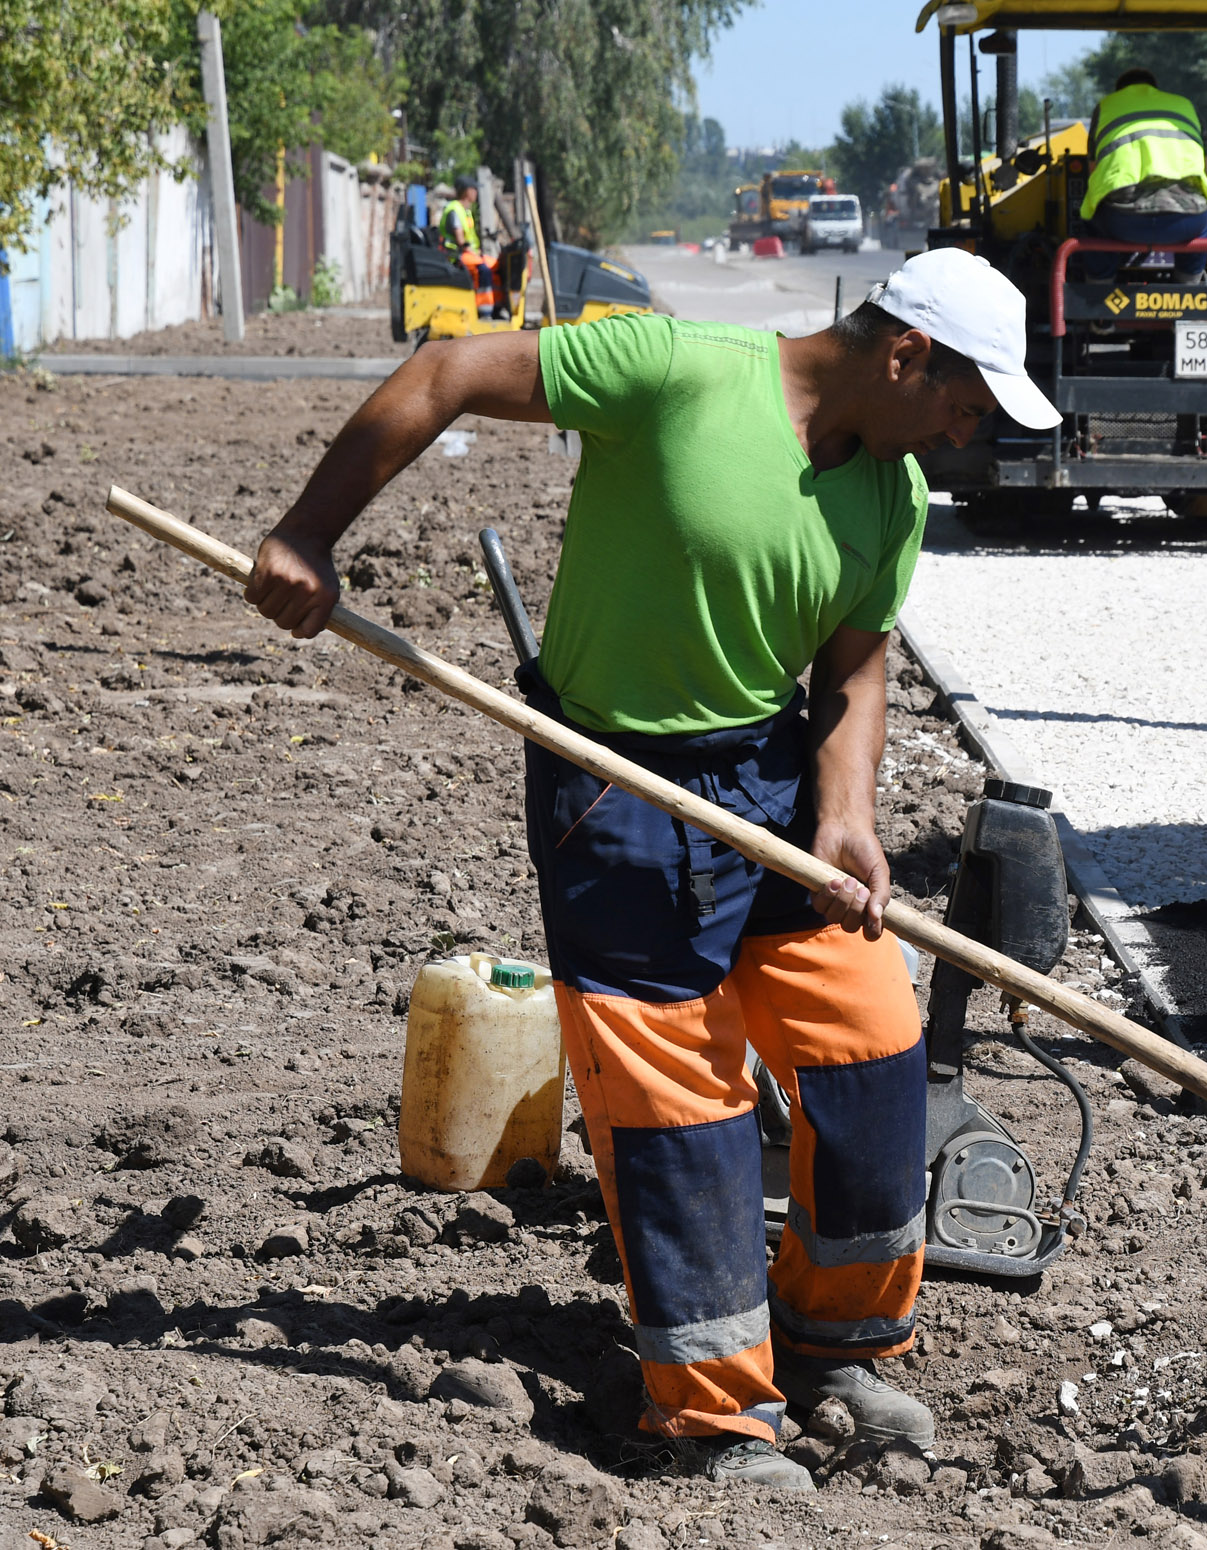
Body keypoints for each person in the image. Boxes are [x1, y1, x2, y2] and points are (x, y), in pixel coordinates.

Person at [240, 248, 1061, 1489]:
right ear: (906, 353)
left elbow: (848, 667)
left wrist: (844, 816)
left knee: (873, 1045)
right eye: (969, 400)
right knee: (677, 1108)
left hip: (772, 781)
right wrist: (308, 531)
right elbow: (450, 368)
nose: (971, 431)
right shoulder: (677, 370)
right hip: (616, 789)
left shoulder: (888, 494)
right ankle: (713, 1409)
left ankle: (831, 1341)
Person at [1079, 67, 1207, 279]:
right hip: (1185, 223)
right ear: (1154, 89)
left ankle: (1099, 291)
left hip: (1122, 221)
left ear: (1120, 91)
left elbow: (1093, 171)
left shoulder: (1107, 106)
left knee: (1090, 216)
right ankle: (1190, 287)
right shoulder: (1185, 106)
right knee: (1205, 217)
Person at [438, 175, 495, 320]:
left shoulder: (465, 211)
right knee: (484, 269)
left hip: (466, 253)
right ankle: (485, 311)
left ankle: (497, 305)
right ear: (466, 192)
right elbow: (460, 239)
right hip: (455, 255)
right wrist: (473, 252)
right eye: (474, 189)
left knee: (494, 264)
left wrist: (478, 252)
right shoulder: (454, 210)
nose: (476, 192)